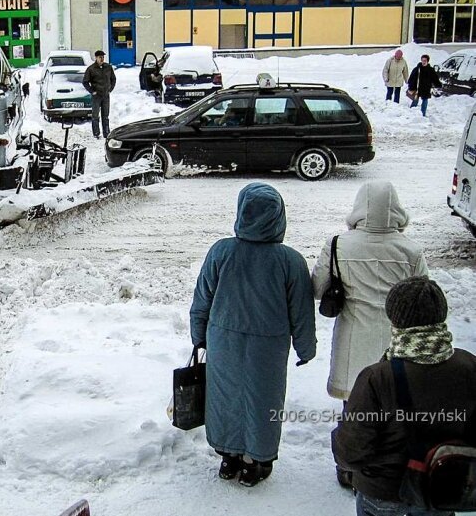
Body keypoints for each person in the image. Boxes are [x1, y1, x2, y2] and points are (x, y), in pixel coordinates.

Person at [190, 182, 316, 487]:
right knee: (263, 400)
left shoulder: (222, 251)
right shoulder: (291, 261)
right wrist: (305, 348)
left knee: (226, 397)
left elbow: (202, 298)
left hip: (224, 340)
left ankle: (228, 457)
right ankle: (255, 462)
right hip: (268, 348)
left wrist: (199, 336)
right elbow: (301, 311)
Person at [312, 180, 428, 486]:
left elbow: (317, 288)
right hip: (397, 342)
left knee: (354, 407)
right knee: (393, 406)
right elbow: (422, 296)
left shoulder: (338, 243)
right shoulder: (411, 250)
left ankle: (350, 469)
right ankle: (388, 468)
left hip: (353, 339)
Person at [332, 276, 476, 516]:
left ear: (395, 318)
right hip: (444, 487)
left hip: (384, 493)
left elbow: (351, 452)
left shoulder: (377, 377)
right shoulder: (470, 366)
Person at [82, 50, 116, 139]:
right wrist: (92, 91)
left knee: (105, 115)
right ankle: (96, 133)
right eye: (100, 57)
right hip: (96, 95)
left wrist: (110, 89)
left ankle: (106, 132)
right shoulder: (91, 69)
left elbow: (113, 79)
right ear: (96, 58)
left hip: (105, 95)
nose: (102, 59)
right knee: (95, 115)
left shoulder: (108, 67)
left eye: (103, 57)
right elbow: (85, 82)